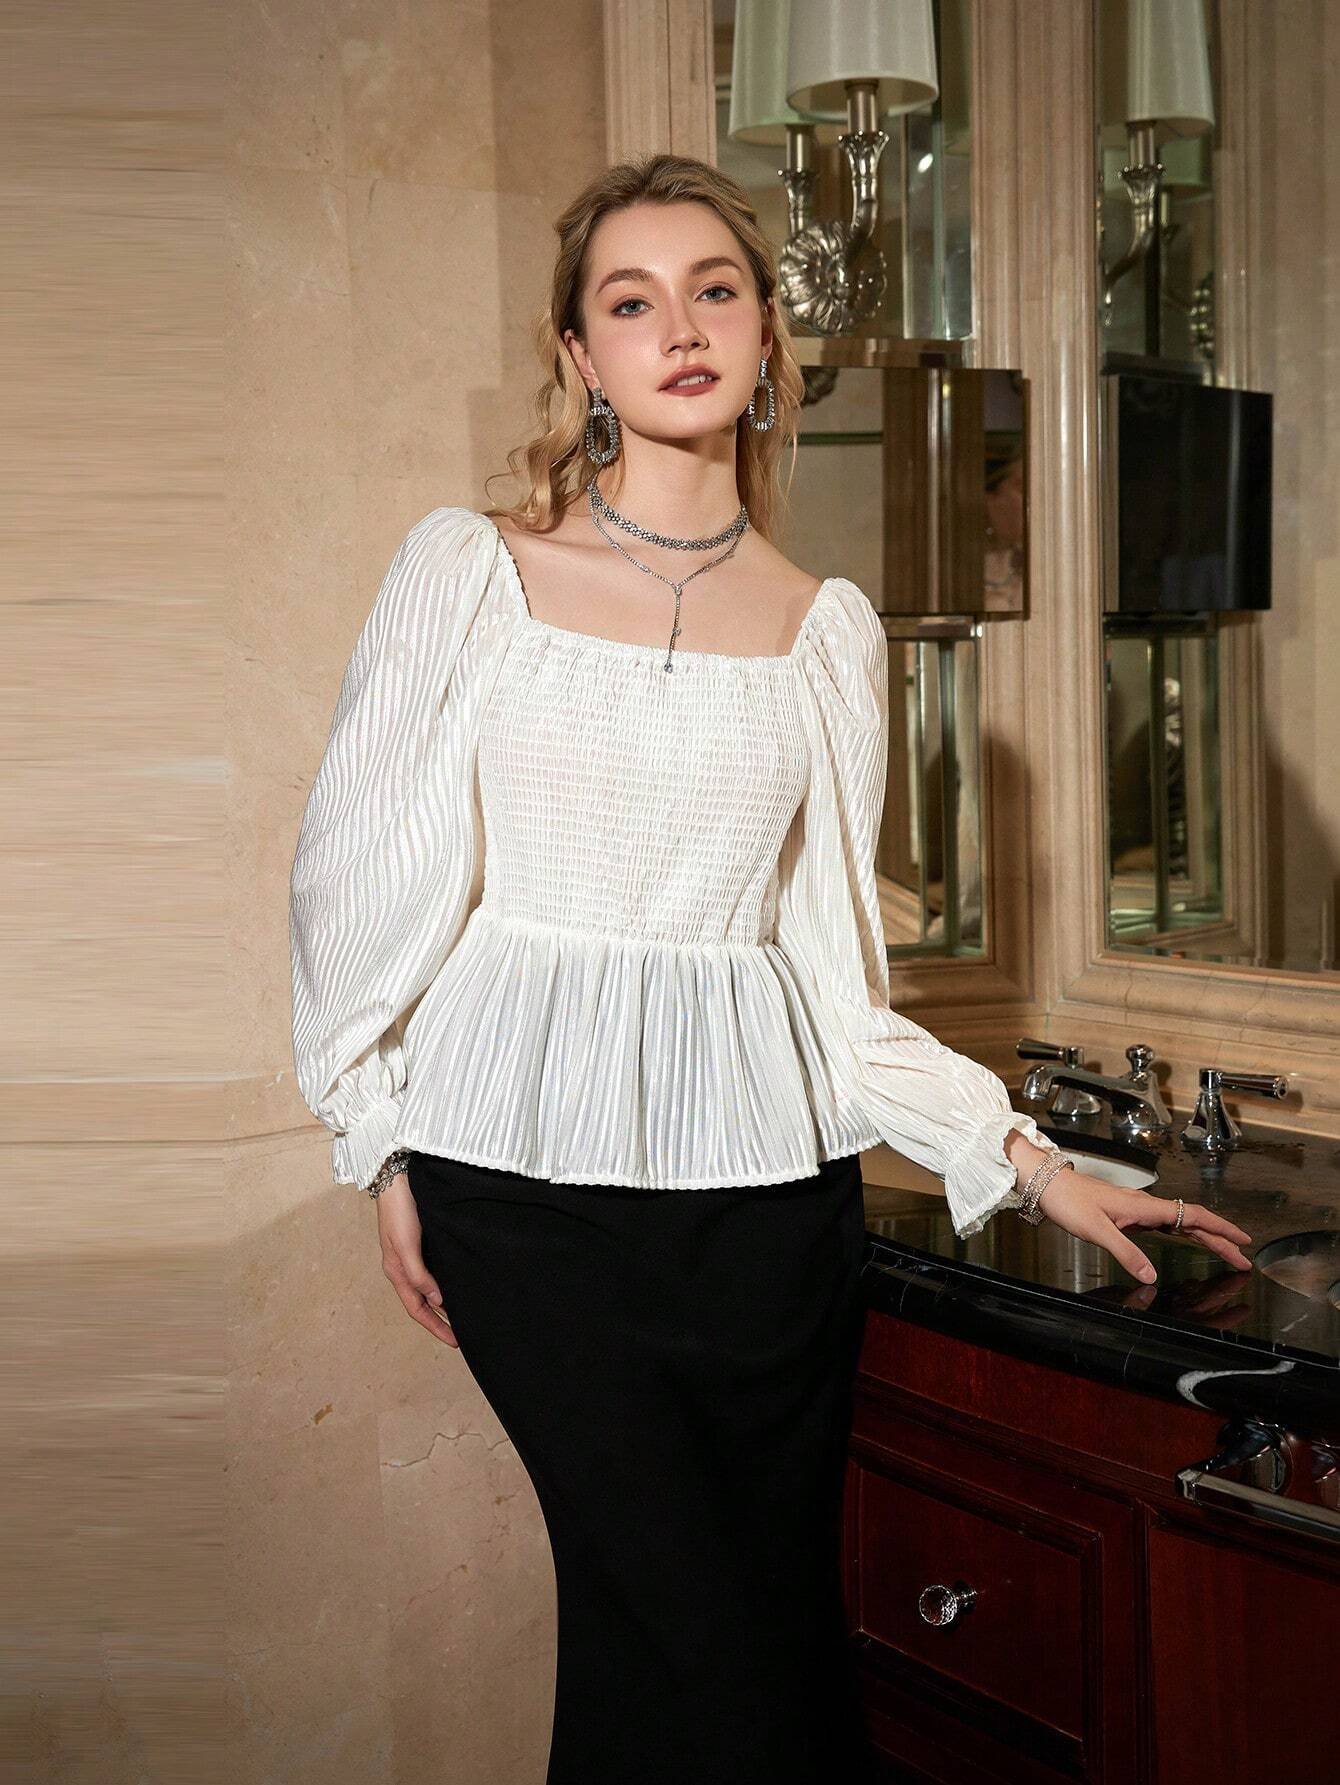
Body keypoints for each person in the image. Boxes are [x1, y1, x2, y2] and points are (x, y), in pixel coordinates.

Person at [287, 152, 1254, 1785]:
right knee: (707, 1654)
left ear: (766, 337)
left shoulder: (827, 629)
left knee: (729, 1653)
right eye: (632, 301)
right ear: (580, 355)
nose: (679, 328)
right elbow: (354, 880)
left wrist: (1026, 1158)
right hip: (526, 1203)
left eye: (715, 290)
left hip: (769, 1229)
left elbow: (830, 983)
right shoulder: (472, 573)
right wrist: (380, 1140)